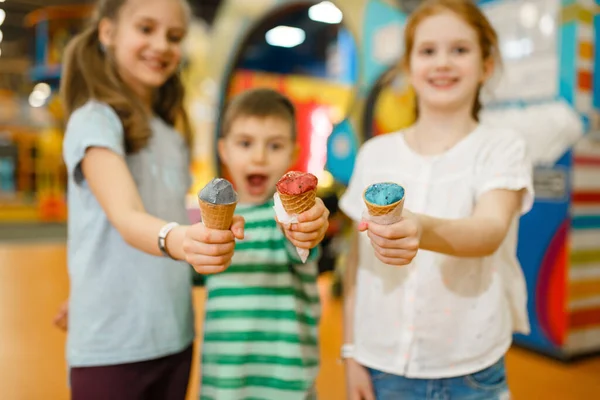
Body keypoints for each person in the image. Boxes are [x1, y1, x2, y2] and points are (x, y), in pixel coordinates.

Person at [339, 1, 534, 399]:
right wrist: (351, 351)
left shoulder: (502, 147)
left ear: (487, 65)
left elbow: (489, 231)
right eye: (428, 51)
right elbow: (356, 263)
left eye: (460, 50)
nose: (442, 62)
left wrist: (422, 228)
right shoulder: (375, 153)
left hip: (472, 370)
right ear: (408, 67)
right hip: (382, 365)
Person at [59, 0, 244, 398]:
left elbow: (160, 211)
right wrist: (182, 240)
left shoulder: (172, 133)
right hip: (112, 344)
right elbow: (125, 216)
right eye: (145, 28)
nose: (161, 45)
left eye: (174, 36)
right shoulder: (93, 119)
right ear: (108, 32)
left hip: (173, 333)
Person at [198, 88, 329, 399]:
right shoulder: (213, 222)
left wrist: (308, 224)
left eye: (274, 145)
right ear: (224, 150)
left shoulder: (286, 220)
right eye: (245, 143)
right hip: (224, 382)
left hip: (287, 385)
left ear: (292, 153)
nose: (259, 156)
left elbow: (304, 240)